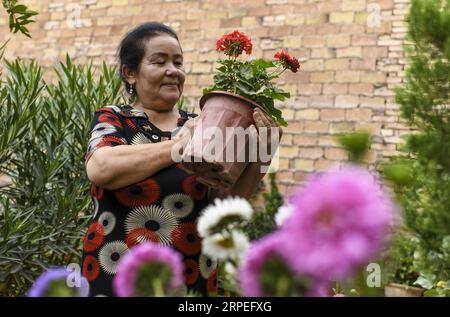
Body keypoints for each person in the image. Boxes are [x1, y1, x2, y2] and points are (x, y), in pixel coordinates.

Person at [81, 22, 278, 297]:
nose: (173, 70)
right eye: (159, 62)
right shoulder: (113, 118)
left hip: (190, 279)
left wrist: (262, 156)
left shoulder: (202, 125)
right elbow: (102, 168)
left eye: (178, 62)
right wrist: (176, 146)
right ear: (130, 73)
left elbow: (223, 209)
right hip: (117, 276)